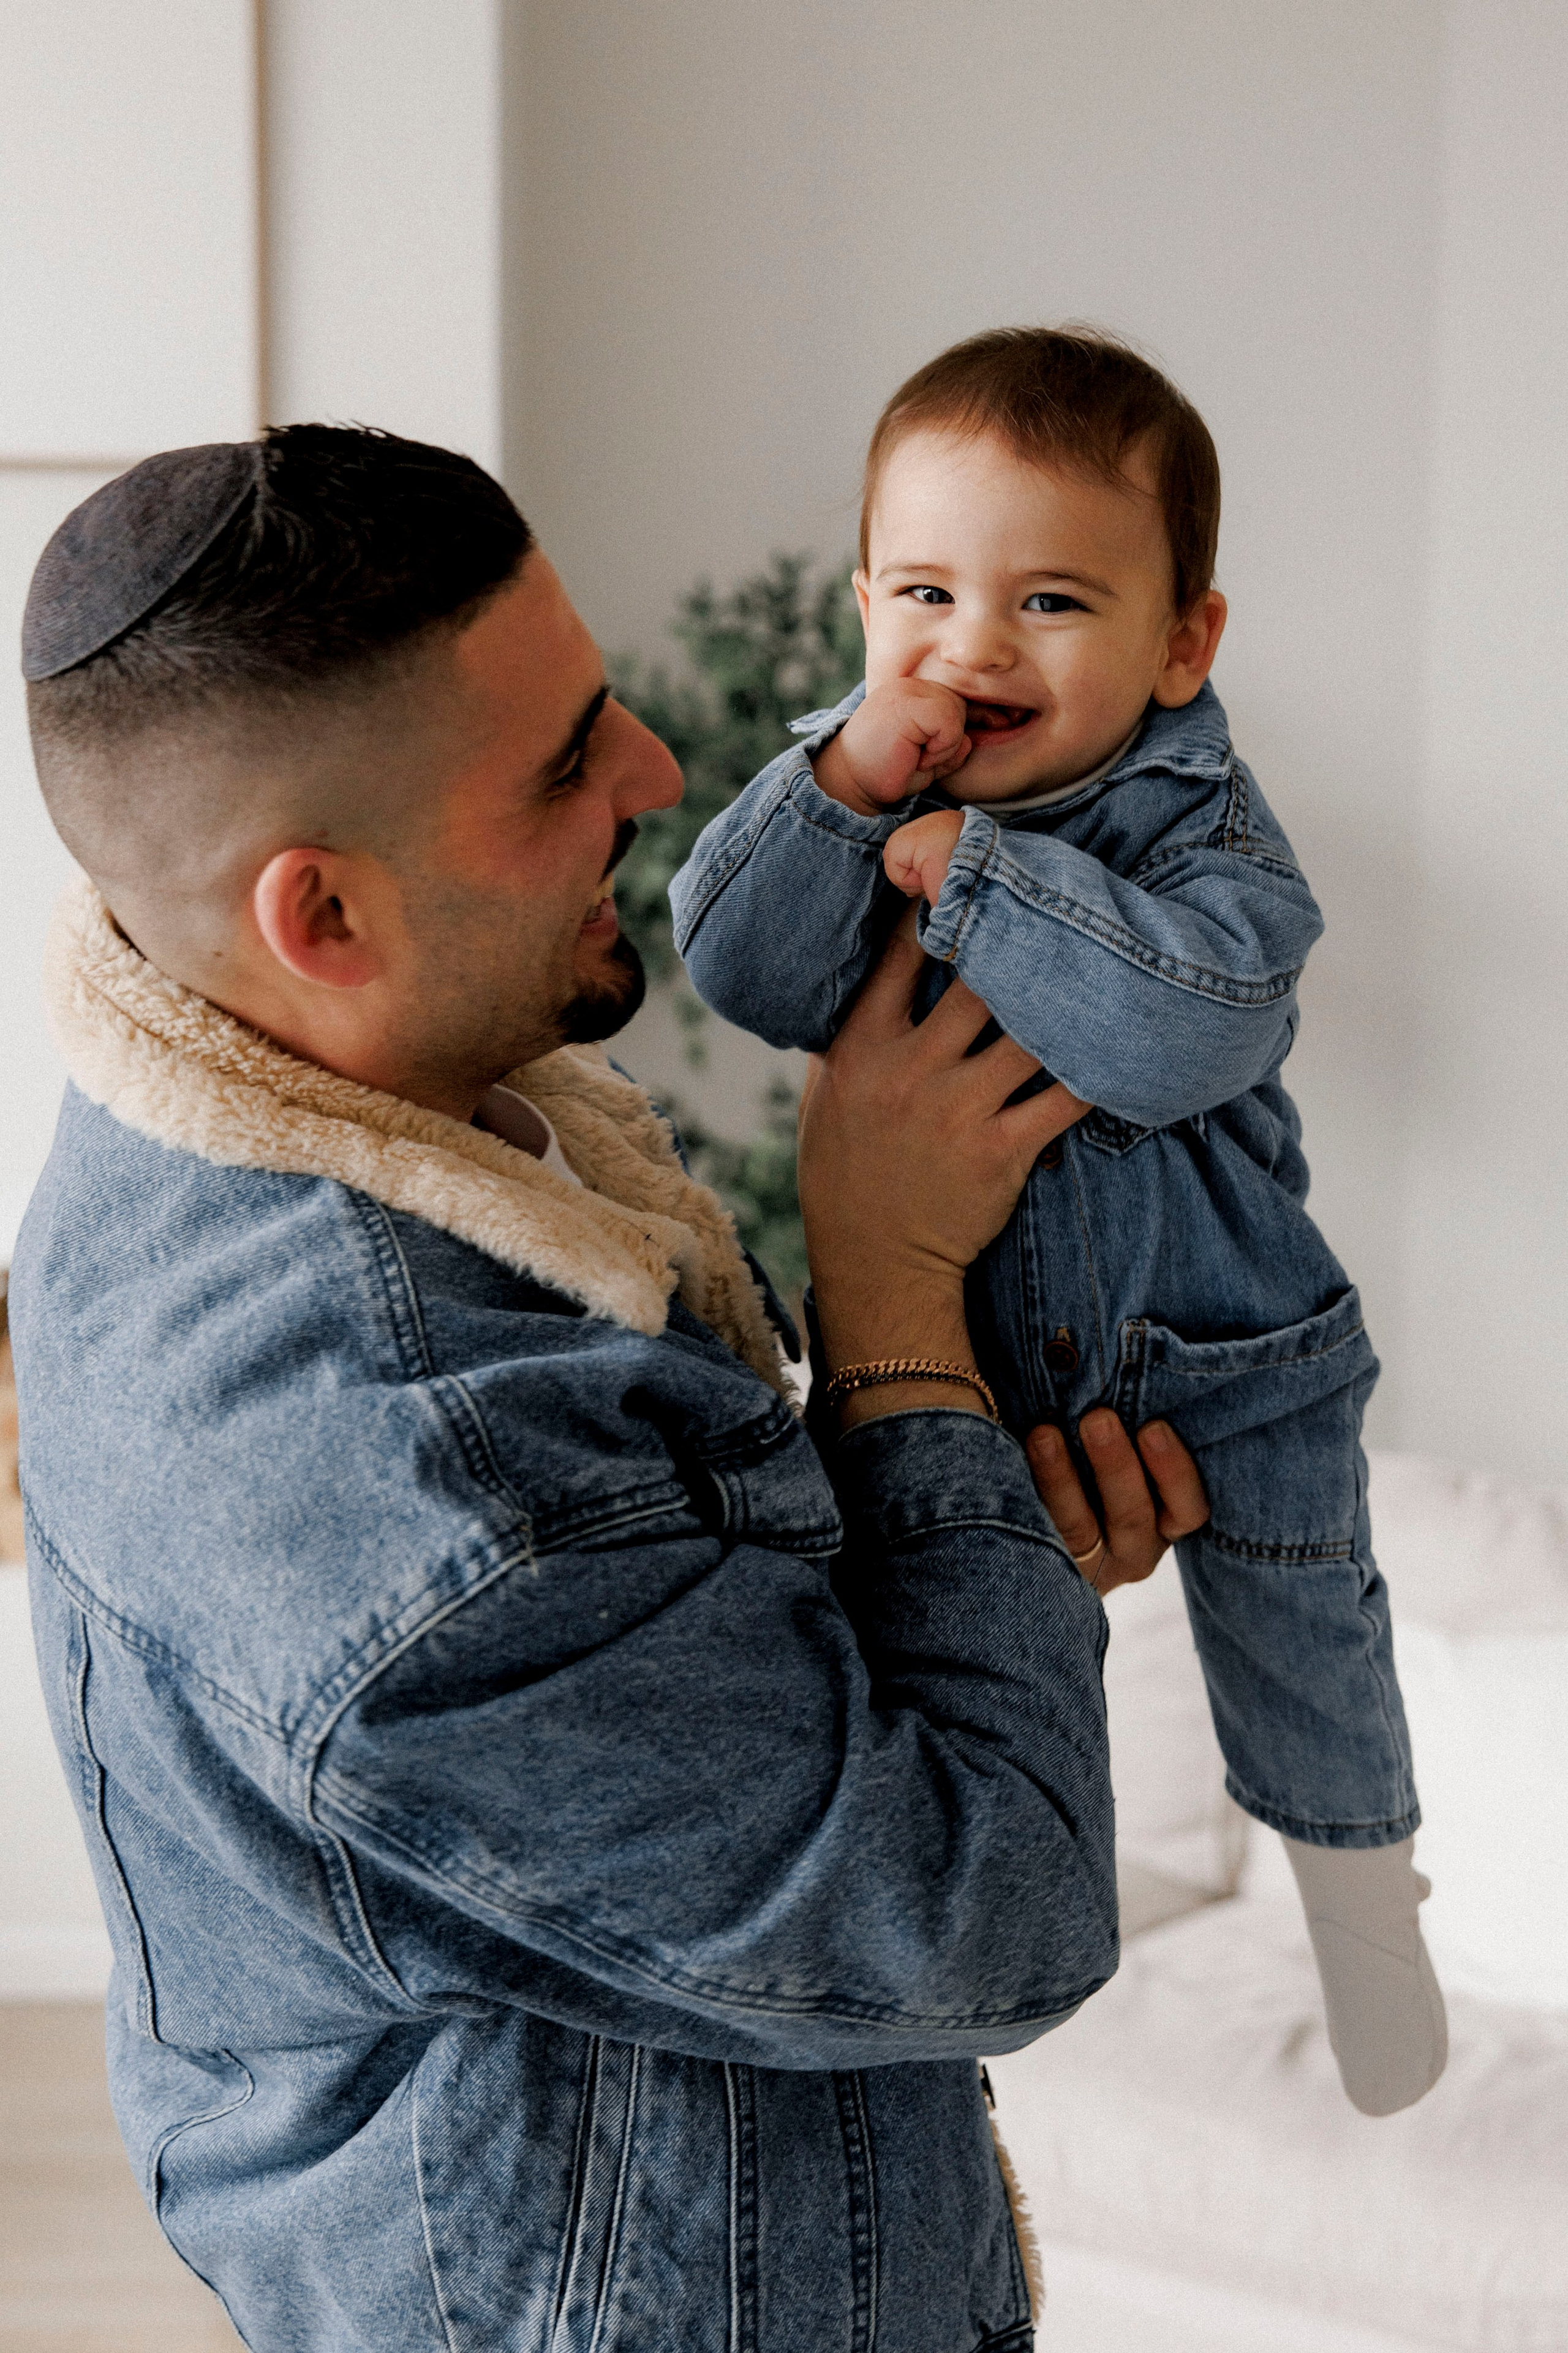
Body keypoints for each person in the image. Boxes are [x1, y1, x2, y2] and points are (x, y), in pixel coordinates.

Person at [11, 425, 1208, 2353]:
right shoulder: (419, 1477)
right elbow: (1000, 1906)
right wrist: (895, 1300)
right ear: (322, 917)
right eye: (566, 761)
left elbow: (689, 1639)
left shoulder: (246, 1101)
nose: (660, 770)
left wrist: (960, 1519)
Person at [670, 327, 1448, 2119]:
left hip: (1237, 1349)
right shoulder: (853, 791)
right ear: (865, 599)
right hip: (968, 1367)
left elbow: (1184, 1033)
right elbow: (744, 966)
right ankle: (972, 1965)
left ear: (1186, 643)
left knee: (1304, 1625)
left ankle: (1360, 1899)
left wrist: (996, 882)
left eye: (1054, 600)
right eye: (927, 589)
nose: (976, 645)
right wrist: (854, 792)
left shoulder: (1205, 824)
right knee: (958, 1661)